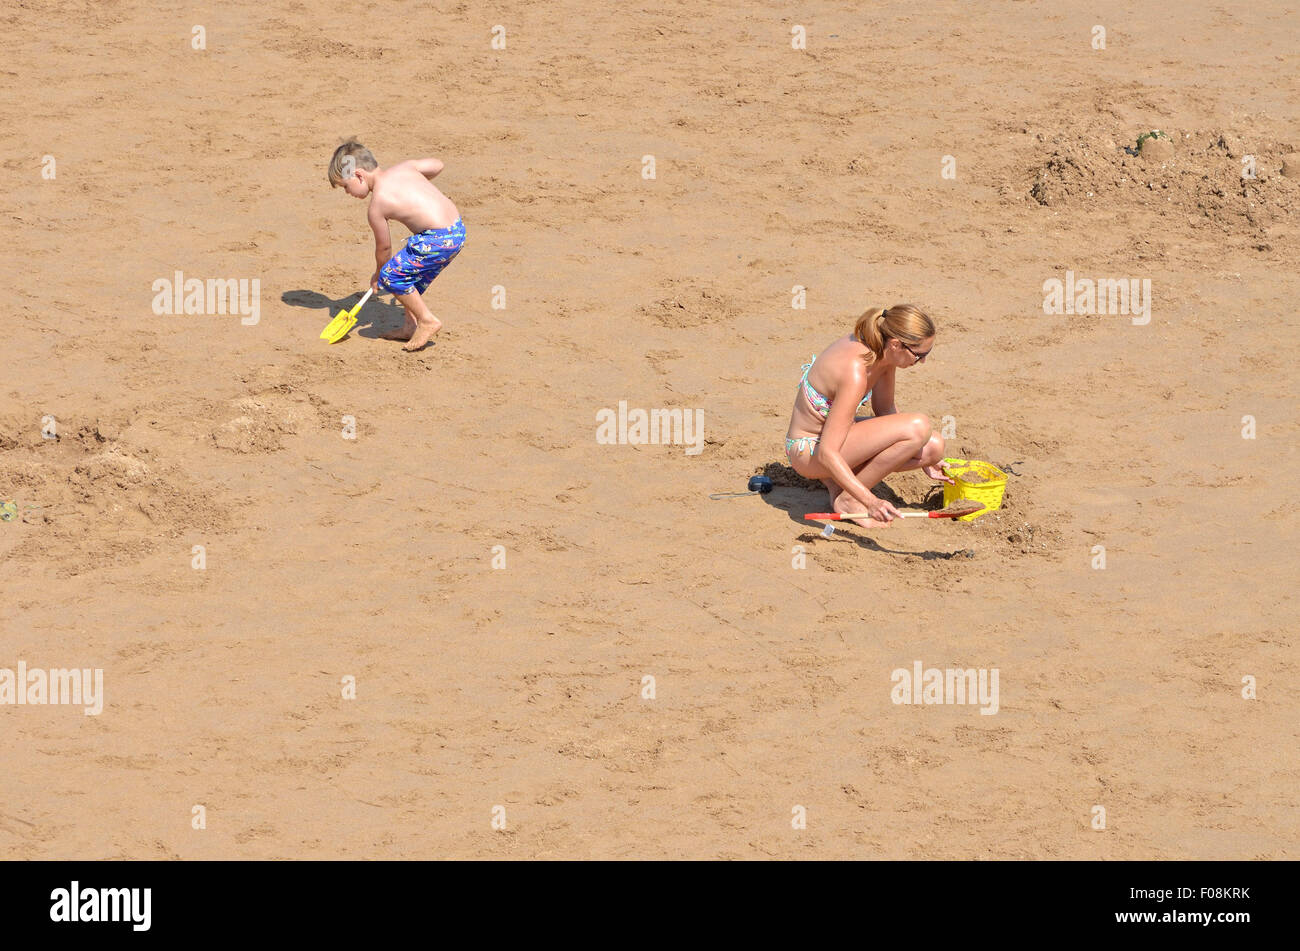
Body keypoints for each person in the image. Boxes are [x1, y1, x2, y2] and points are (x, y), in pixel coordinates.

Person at [784, 304, 952, 525]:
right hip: (809, 451)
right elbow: (827, 452)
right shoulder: (855, 372)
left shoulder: (882, 350)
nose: (922, 361)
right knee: (919, 427)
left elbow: (885, 411)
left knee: (933, 447)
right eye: (920, 355)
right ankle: (848, 499)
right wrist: (870, 501)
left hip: (833, 439)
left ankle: (838, 483)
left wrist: (923, 457)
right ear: (896, 344)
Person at [327, 140, 466, 351]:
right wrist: (417, 180)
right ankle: (409, 326)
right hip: (456, 231)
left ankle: (427, 320)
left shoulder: (377, 205)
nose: (347, 192)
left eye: (346, 186)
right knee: (410, 279)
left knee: (392, 275)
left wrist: (379, 275)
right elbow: (437, 165)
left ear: (358, 175)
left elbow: (384, 249)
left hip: (435, 239)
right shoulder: (406, 168)